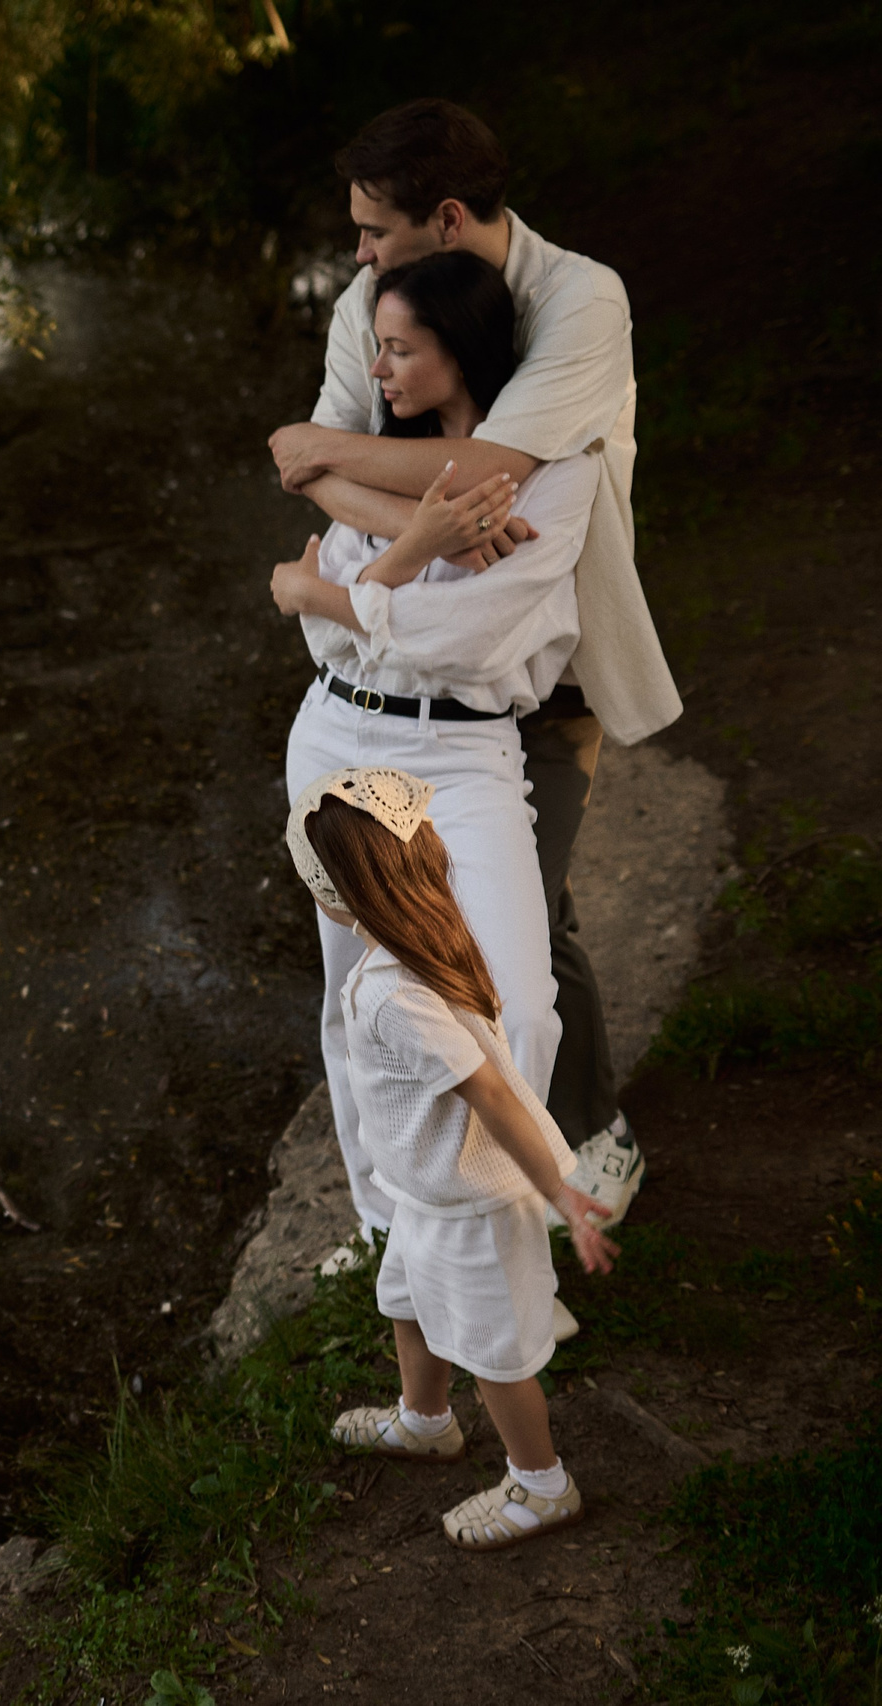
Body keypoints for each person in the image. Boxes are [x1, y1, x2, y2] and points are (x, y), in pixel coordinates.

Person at [268, 98, 679, 1223]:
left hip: (543, 665)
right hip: (402, 675)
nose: (355, 258)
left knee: (525, 932)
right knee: (423, 935)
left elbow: (500, 465)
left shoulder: (579, 299)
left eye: (373, 231)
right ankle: (440, 1201)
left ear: (445, 219)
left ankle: (581, 1143)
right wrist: (421, 518)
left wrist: (337, 473)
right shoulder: (370, 305)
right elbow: (328, 471)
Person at [271, 247, 596, 1244]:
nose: (379, 371)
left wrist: (325, 590)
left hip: (463, 753)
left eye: (401, 350)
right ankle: (394, 1237)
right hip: (337, 731)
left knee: (515, 1001)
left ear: (458, 351)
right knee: (353, 999)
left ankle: (494, 1219)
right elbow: (327, 630)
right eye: (378, 348)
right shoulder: (376, 447)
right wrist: (408, 556)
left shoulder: (555, 477)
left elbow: (470, 640)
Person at [284, 768, 619, 1552]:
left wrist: (560, 1193)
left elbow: (494, 1097)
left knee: (492, 1354)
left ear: (334, 896)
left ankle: (543, 1484)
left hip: (470, 1207)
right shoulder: (425, 937)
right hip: (425, 1192)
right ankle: (425, 1421)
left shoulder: (394, 994)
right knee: (404, 1302)